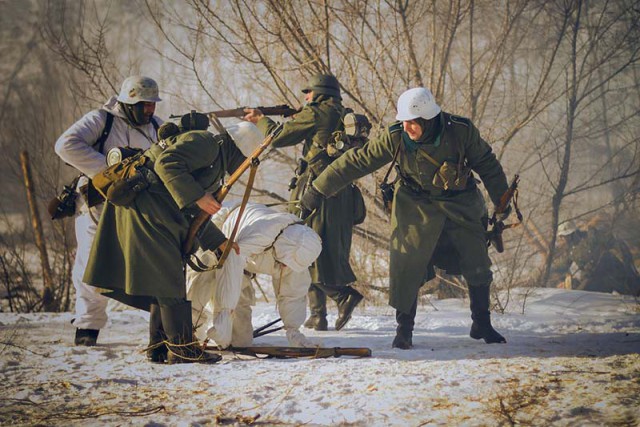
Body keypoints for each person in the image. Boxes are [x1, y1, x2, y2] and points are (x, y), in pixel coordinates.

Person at [299, 87, 511, 349]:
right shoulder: (396, 136)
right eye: (405, 121)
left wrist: (502, 201)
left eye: (413, 122)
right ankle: (404, 329)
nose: (408, 127)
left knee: (477, 260)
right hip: (415, 204)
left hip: (461, 204)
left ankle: (482, 323)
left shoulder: (460, 130)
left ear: (428, 119)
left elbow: (487, 164)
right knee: (405, 263)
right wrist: (317, 190)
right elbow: (357, 161)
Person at [83, 112, 246, 364]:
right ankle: (182, 348)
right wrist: (200, 197)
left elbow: (193, 209)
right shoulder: (207, 144)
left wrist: (218, 241)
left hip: (152, 209)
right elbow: (166, 165)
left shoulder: (213, 164)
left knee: (164, 280)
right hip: (146, 208)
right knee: (169, 278)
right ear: (237, 149)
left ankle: (159, 347)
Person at [243, 74, 364, 332]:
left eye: (308, 93)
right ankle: (318, 315)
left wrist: (260, 120)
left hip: (315, 191)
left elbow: (278, 137)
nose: (305, 98)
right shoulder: (342, 113)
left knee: (300, 245)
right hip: (340, 192)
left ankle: (343, 296)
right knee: (311, 246)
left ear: (319, 93)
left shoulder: (318, 112)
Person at [54, 76, 162, 346]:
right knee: (91, 265)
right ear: (129, 101)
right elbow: (66, 145)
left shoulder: (157, 128)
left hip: (138, 206)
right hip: (97, 204)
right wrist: (111, 171)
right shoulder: (102, 120)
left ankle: (162, 326)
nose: (149, 110)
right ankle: (87, 329)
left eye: (152, 105)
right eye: (144, 104)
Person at [186, 201, 323, 349]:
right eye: (286, 262)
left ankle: (227, 336)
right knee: (199, 287)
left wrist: (293, 331)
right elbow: (230, 277)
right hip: (219, 232)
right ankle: (187, 335)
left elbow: (293, 294)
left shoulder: (300, 250)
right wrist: (223, 318)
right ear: (282, 248)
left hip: (243, 261)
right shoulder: (259, 234)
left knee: (240, 342)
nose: (286, 266)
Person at [552, 220, 640, 295]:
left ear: (573, 233)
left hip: (612, 270)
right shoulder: (570, 250)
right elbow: (561, 266)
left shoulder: (591, 236)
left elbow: (616, 243)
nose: (563, 239)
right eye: (562, 236)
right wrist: (550, 272)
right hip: (596, 278)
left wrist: (626, 262)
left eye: (565, 236)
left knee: (634, 290)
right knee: (580, 295)